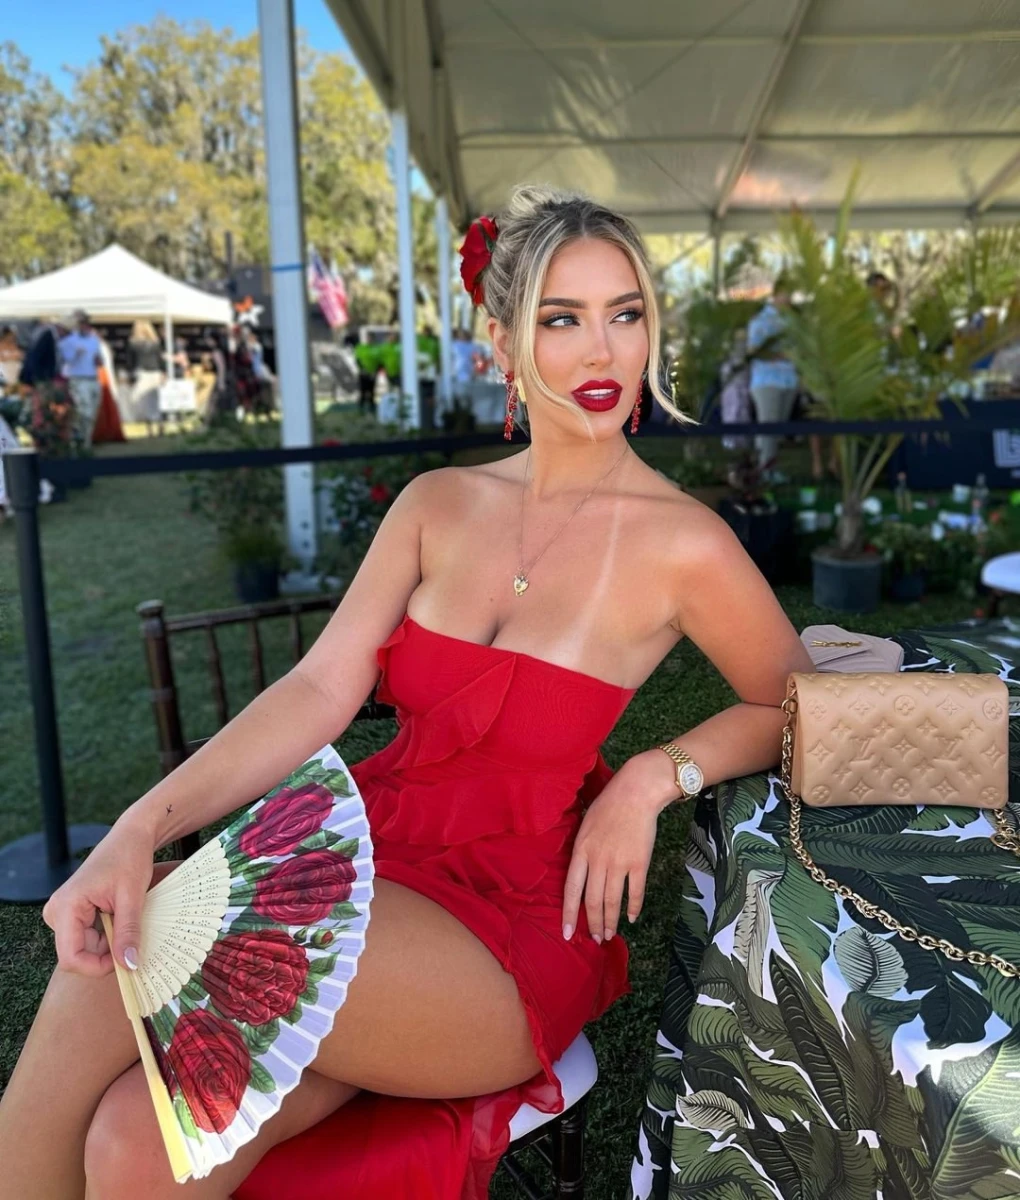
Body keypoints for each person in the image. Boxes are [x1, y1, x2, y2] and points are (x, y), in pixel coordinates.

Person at [0, 186, 812, 1200]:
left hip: (507, 931)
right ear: (503, 344)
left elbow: (796, 704)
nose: (602, 351)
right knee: (134, 1139)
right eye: (561, 319)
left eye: (626, 313)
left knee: (145, 938)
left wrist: (655, 775)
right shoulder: (439, 504)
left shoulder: (684, 542)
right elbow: (320, 686)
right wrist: (136, 828)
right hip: (367, 855)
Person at [746, 277, 798, 478]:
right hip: (767, 382)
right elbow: (753, 351)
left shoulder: (793, 320)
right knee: (767, 428)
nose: (789, 299)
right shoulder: (761, 321)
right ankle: (763, 472)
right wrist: (783, 355)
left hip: (789, 380)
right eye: (786, 294)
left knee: (778, 430)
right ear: (776, 295)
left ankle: (770, 468)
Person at [57, 310, 103, 448]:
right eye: (81, 322)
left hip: (93, 378)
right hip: (78, 379)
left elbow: (99, 360)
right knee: (84, 412)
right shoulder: (68, 341)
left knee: (93, 412)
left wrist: (98, 360)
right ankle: (79, 440)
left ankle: (86, 440)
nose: (84, 325)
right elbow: (65, 361)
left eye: (86, 322)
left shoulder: (94, 340)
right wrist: (75, 354)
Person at [125, 320, 166, 437]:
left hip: (142, 372)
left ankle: (150, 429)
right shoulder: (156, 342)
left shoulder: (133, 343)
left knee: (144, 401)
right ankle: (160, 425)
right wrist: (163, 372)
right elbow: (160, 359)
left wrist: (130, 376)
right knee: (155, 400)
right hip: (155, 372)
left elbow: (130, 361)